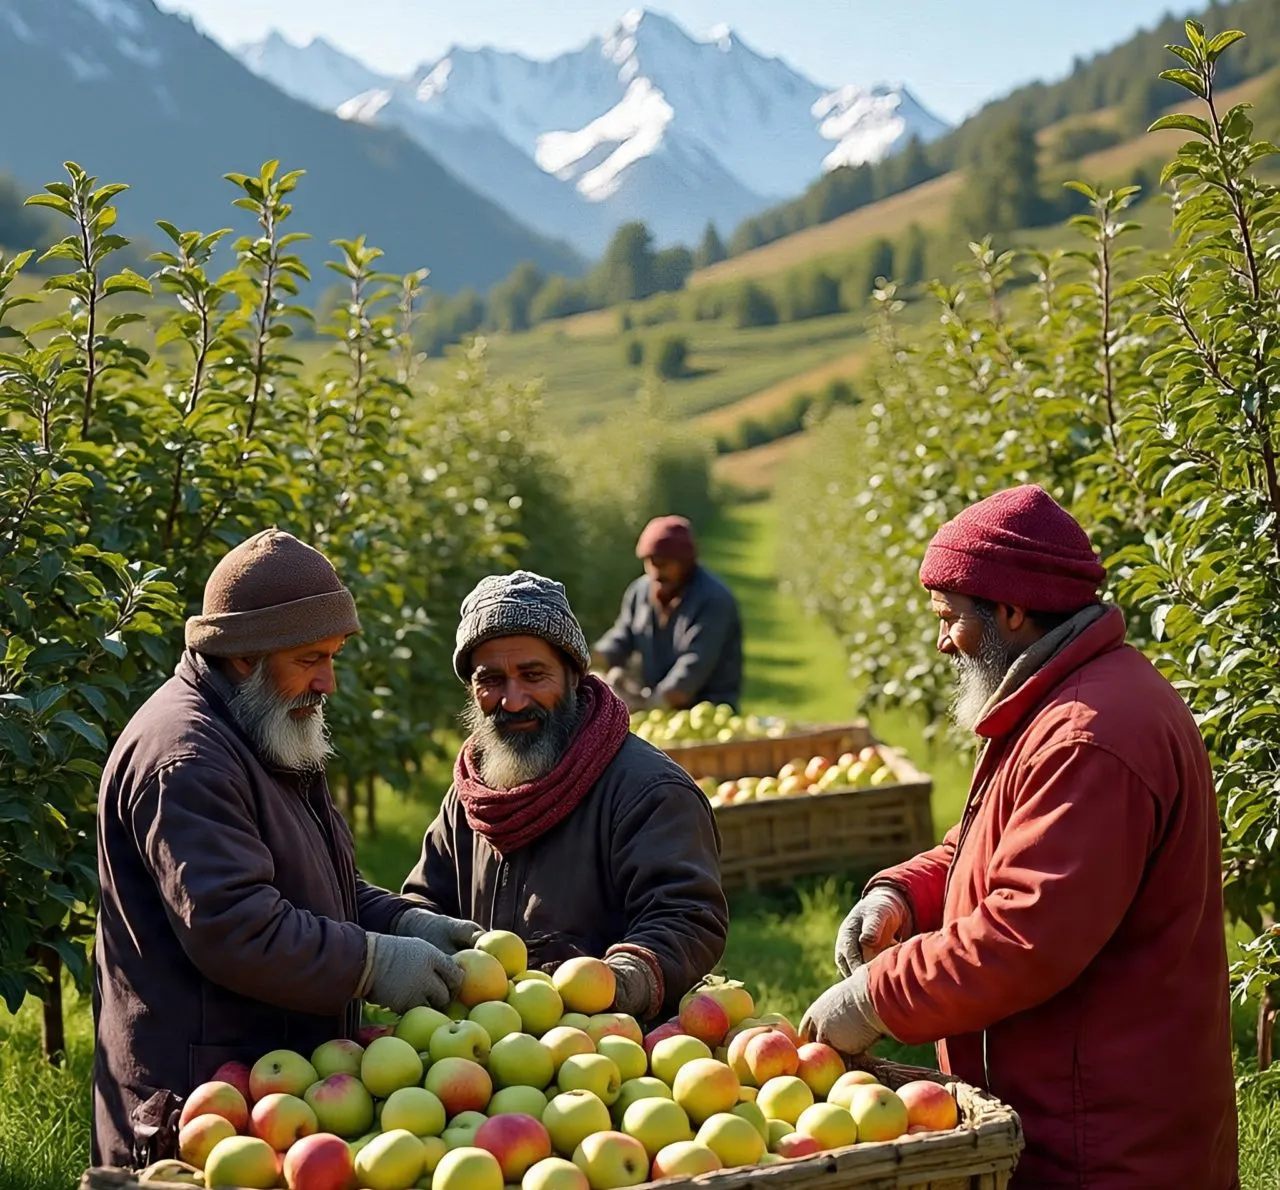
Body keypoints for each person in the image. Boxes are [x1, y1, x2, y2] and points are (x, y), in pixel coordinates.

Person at [800, 485, 1238, 1189]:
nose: (943, 641)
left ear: (1010, 610)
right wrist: (903, 896)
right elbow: (996, 842)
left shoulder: (1090, 736)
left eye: (951, 619)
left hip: (1108, 1144)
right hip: (1074, 1111)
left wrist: (875, 997)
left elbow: (1024, 934)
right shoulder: (1057, 705)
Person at [93, 529, 483, 1169]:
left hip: (271, 1089)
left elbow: (327, 886)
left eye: (333, 656)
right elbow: (235, 926)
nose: (328, 681)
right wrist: (371, 961)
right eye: (310, 658)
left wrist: (403, 921)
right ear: (245, 657)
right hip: (198, 1102)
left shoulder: (264, 727)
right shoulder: (187, 761)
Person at [402, 569, 729, 1021]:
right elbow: (426, 900)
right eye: (490, 680)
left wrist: (613, 986)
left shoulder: (647, 792)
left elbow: (686, 916)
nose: (512, 700)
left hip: (611, 1048)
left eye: (533, 675)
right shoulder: (471, 794)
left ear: (573, 674)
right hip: (481, 1046)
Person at [593, 515, 743, 711]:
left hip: (706, 712)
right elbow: (623, 635)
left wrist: (650, 705)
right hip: (658, 708)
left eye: (664, 564)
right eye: (650, 562)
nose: (655, 572)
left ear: (686, 563)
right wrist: (592, 662)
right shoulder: (641, 591)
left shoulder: (713, 600)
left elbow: (694, 665)